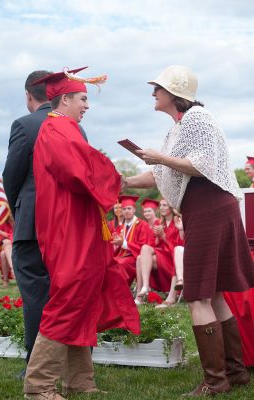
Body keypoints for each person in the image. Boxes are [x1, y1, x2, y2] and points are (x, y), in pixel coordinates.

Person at [122, 65, 254, 396]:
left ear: (175, 93)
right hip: (208, 209)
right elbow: (156, 175)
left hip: (210, 208)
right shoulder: (178, 129)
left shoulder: (197, 119)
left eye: (158, 88)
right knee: (216, 293)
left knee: (196, 296)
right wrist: (122, 181)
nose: (153, 93)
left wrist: (160, 158)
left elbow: (201, 166)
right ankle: (235, 373)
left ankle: (215, 381)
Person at [24, 67, 140, 400]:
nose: (86, 105)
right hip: (68, 229)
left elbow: (85, 167)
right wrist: (116, 178)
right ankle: (39, 386)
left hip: (81, 226)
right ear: (64, 100)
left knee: (83, 299)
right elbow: (78, 173)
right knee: (68, 299)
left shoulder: (65, 129)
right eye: (83, 98)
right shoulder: (57, 129)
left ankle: (79, 380)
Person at [3, 71, 53, 369]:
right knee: (62, 293)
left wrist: (18, 208)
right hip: (64, 226)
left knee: (35, 293)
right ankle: (72, 363)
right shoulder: (74, 126)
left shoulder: (24, 124)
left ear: (28, 94)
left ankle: (37, 364)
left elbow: (12, 176)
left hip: (32, 222)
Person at [135, 198, 184, 307]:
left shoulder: (177, 221)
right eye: (160, 205)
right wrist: (157, 237)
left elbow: (178, 248)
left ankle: (140, 295)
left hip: (172, 259)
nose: (161, 208)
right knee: (143, 250)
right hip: (162, 255)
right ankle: (144, 287)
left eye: (164, 205)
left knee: (140, 259)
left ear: (171, 208)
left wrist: (163, 236)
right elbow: (154, 244)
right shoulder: (159, 222)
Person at [112, 195, 150, 286]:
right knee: (109, 264)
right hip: (122, 256)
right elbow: (117, 247)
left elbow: (143, 247)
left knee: (119, 264)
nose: (126, 211)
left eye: (129, 208)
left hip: (135, 258)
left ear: (134, 210)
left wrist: (123, 243)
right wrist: (116, 244)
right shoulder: (121, 227)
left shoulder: (142, 225)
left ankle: (121, 292)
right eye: (124, 209)